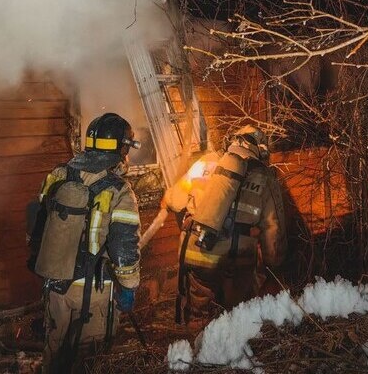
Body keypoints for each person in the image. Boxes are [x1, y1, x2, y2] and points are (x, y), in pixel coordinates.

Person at [26, 113, 141, 373]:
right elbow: (124, 246)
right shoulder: (119, 189)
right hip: (95, 291)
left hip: (56, 285)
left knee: (54, 356)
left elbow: (39, 222)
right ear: (122, 148)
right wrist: (129, 286)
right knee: (91, 360)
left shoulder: (58, 175)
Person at [163, 125, 287, 325]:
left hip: (198, 255)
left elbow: (174, 200)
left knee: (200, 317)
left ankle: (198, 349)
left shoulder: (205, 163)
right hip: (237, 261)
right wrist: (274, 271)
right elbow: (273, 229)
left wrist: (166, 199)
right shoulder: (264, 176)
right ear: (261, 149)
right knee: (239, 319)